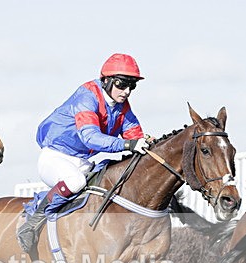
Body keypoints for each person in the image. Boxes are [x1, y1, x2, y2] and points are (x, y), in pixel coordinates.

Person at [16, 53, 149, 252]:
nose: (127, 91)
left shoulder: (122, 106)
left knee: (108, 181)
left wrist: (148, 144)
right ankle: (32, 222)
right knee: (75, 182)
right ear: (107, 81)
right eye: (122, 84)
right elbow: (90, 137)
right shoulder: (87, 96)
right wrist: (128, 145)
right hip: (55, 156)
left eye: (132, 86)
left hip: (82, 161)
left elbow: (134, 134)